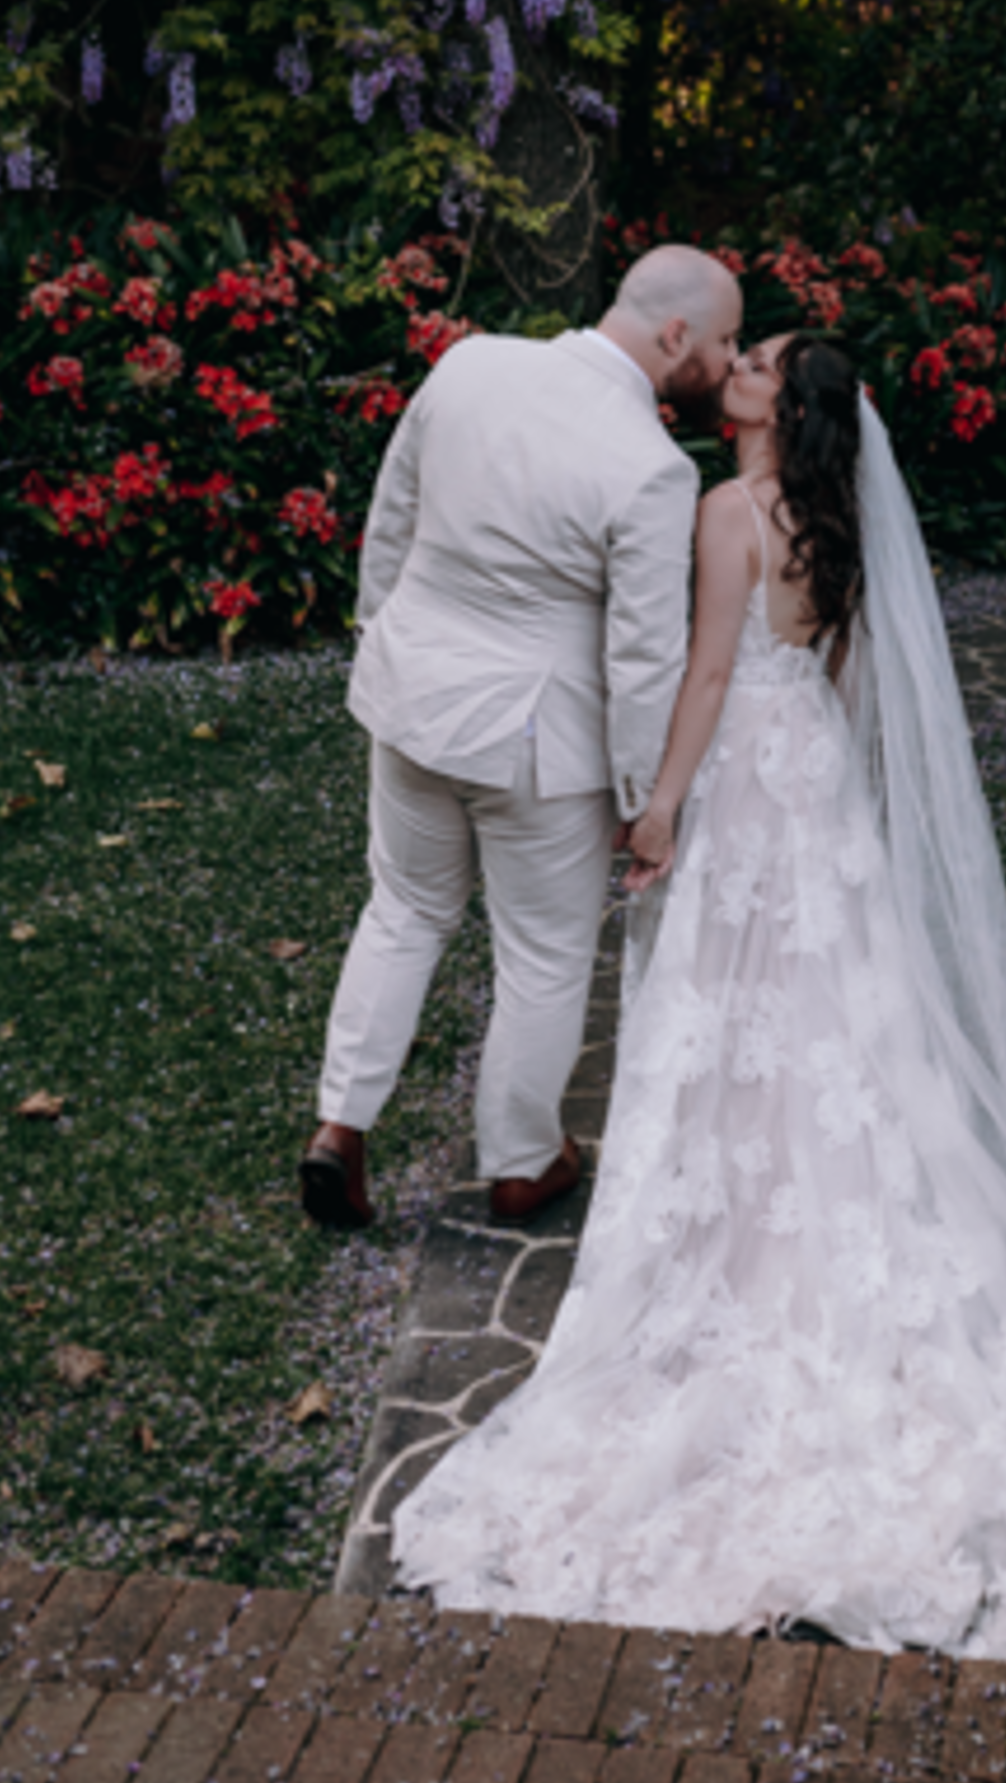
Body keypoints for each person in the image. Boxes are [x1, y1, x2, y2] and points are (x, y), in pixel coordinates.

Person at [389, 331, 1006, 1664]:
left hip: (741, 776)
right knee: (835, 1013)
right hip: (814, 776)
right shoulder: (833, 522)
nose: (741, 367)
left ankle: (728, 1243)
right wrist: (813, 777)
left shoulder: (727, 508)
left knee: (727, 1011)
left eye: (764, 362)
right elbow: (836, 677)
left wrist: (659, 805)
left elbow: (707, 673)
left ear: (788, 405)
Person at [299, 245, 744, 1236]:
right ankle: (520, 1162)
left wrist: (384, 636)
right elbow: (640, 661)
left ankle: (341, 1129)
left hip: (414, 697)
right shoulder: (653, 468)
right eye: (722, 342)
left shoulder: (470, 364)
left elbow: (395, 512)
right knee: (541, 956)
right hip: (536, 747)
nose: (727, 362)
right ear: (675, 335)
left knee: (405, 910)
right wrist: (643, 802)